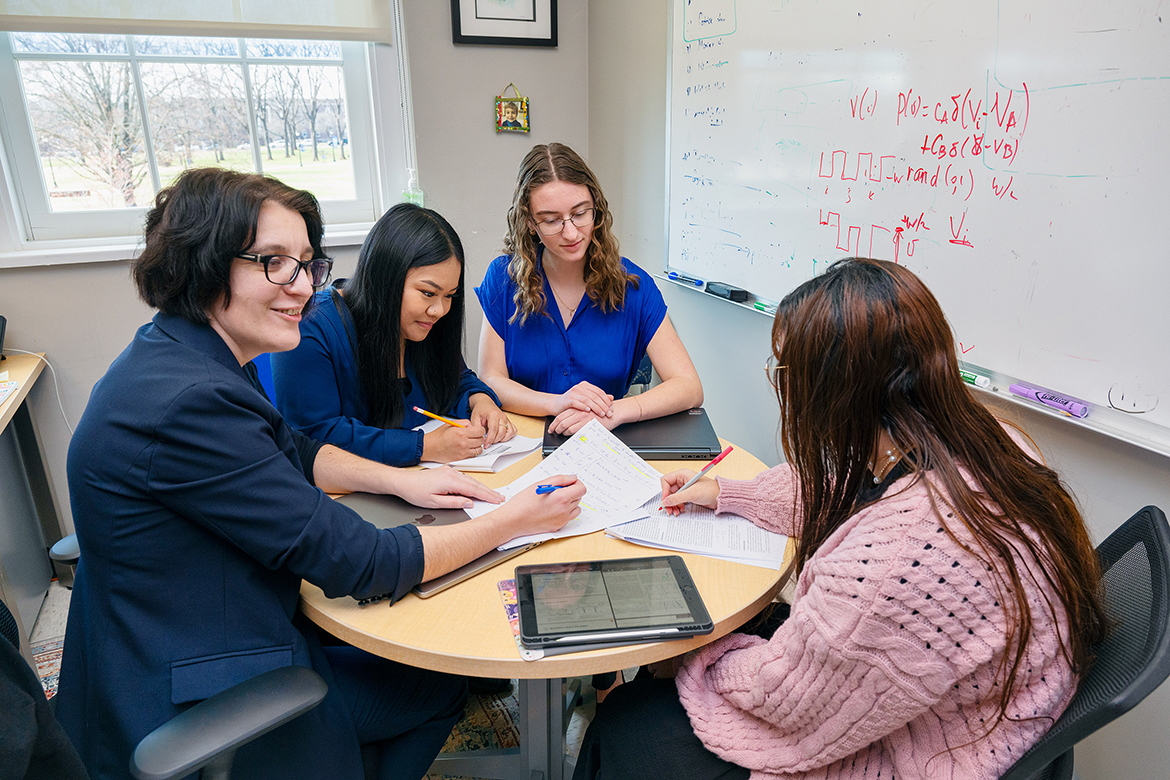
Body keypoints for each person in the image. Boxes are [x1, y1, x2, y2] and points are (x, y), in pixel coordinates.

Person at [55, 168, 586, 780]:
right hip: (201, 683)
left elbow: (296, 449)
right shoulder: (191, 403)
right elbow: (363, 563)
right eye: (274, 262)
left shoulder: (187, 355)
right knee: (439, 686)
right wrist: (513, 518)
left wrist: (402, 479)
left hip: (165, 628)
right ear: (202, 263)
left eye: (307, 263)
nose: (302, 287)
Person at [572, 258, 1107, 780]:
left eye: (784, 371)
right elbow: (849, 491)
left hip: (911, 748)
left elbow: (786, 699)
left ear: (836, 390)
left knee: (624, 725)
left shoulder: (896, 564)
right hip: (967, 706)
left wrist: (694, 651)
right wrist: (727, 493)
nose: (782, 384)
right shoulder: (987, 442)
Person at [476, 142, 703, 435]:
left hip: (605, 442)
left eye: (580, 214)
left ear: (596, 207)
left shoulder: (633, 286)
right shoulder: (503, 278)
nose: (570, 233)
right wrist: (557, 403)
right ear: (530, 222)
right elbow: (491, 379)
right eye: (551, 220)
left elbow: (689, 387)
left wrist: (615, 412)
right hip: (523, 442)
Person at [271, 203, 513, 467]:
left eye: (449, 296)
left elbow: (457, 379)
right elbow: (315, 435)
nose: (439, 310)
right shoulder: (310, 326)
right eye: (428, 293)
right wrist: (423, 447)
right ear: (386, 279)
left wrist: (482, 401)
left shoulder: (422, 321)